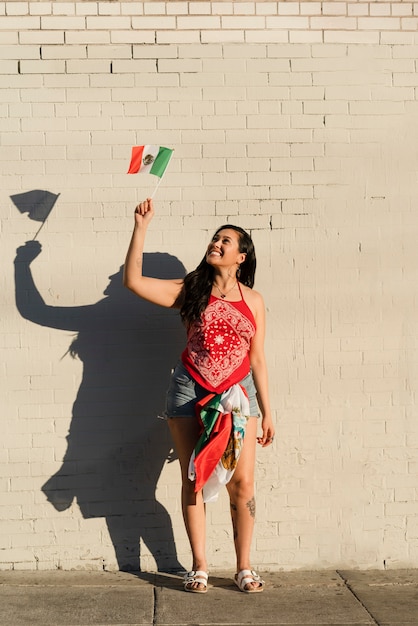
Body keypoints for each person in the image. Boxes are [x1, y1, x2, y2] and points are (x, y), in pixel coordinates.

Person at [123, 198, 275, 593]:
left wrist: (270, 412)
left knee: (241, 485)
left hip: (239, 397)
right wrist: (142, 226)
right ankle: (200, 566)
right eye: (214, 238)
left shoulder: (254, 301)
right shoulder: (190, 289)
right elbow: (134, 282)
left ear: (241, 256)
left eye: (226, 241)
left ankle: (244, 566)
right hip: (188, 391)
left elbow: (257, 359)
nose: (217, 243)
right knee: (194, 478)